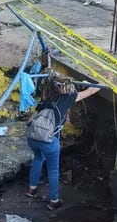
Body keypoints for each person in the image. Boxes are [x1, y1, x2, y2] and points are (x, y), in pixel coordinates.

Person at [26, 73, 103, 210]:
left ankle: (32, 190)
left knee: (38, 158)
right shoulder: (68, 98)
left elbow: (31, 119)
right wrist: (105, 80)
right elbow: (91, 90)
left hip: (32, 137)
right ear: (65, 87)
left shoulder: (47, 97)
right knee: (53, 169)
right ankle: (54, 200)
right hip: (49, 140)